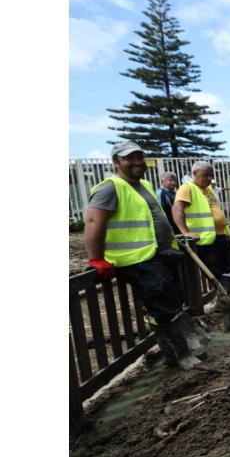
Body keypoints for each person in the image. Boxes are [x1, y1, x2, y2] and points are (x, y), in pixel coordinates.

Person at [83, 141, 205, 369]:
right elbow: (92, 222)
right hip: (138, 260)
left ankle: (175, 353)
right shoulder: (110, 187)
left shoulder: (144, 186)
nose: (137, 162)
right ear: (117, 162)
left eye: (140, 157)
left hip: (157, 255)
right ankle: (182, 357)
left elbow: (149, 220)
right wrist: (96, 258)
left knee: (171, 305)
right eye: (130, 158)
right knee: (165, 308)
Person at [173, 162, 230, 309]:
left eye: (211, 175)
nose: (209, 178)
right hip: (206, 238)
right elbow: (177, 210)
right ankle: (224, 303)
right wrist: (185, 232)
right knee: (216, 272)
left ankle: (223, 300)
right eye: (205, 175)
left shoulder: (208, 190)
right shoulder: (188, 188)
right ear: (194, 173)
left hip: (220, 236)